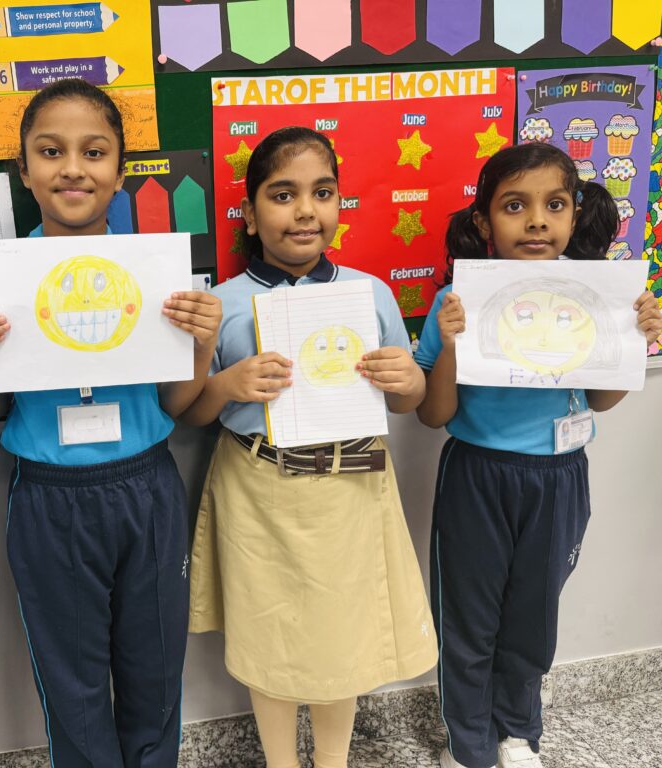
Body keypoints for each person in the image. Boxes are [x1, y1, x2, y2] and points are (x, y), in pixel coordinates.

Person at [0, 78, 222, 768]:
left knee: (154, 661)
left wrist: (203, 346)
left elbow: (179, 406)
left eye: (94, 152)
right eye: (51, 151)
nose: (73, 167)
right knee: (70, 675)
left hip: (145, 487)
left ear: (120, 172)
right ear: (25, 172)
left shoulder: (156, 272)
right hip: (47, 495)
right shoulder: (0, 279)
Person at [180, 126, 438, 768]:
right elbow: (190, 414)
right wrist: (227, 383)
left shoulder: (370, 293)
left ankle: (332, 761)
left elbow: (407, 401)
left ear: (339, 205)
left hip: (350, 487)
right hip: (257, 489)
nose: (304, 211)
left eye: (323, 193)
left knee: (339, 638)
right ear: (249, 211)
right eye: (282, 194)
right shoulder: (222, 304)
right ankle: (280, 761)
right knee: (268, 635)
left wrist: (409, 381)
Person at [415, 143, 662, 768]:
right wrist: (447, 342)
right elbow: (433, 414)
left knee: (532, 616)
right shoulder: (455, 301)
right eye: (514, 206)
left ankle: (518, 732)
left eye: (554, 205)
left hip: (559, 477)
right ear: (482, 221)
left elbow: (602, 401)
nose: (536, 221)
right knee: (469, 618)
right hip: (478, 474)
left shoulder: (592, 299)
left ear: (575, 216)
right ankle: (468, 744)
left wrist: (632, 337)